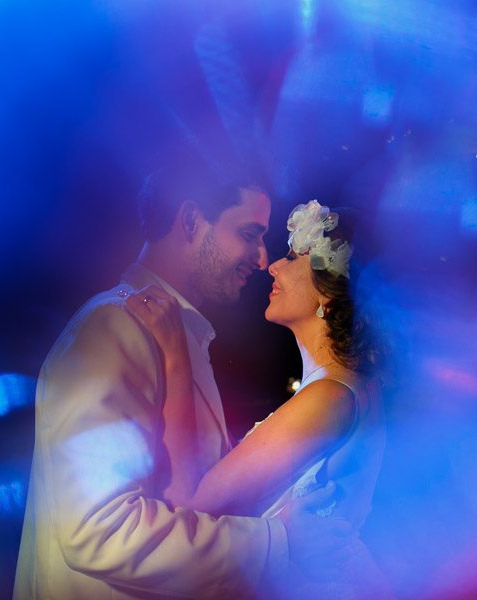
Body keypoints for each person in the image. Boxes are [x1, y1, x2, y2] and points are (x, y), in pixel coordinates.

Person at [13, 158, 353, 600]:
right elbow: (98, 529)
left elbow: (191, 496)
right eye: (248, 234)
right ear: (191, 221)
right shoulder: (112, 327)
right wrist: (272, 545)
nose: (262, 259)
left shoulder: (177, 334)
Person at [125, 200, 392, 599]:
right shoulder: (352, 389)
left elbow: (191, 506)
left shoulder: (331, 396)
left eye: (293, 257)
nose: (273, 266)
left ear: (329, 292)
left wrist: (176, 357)